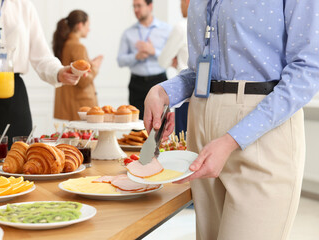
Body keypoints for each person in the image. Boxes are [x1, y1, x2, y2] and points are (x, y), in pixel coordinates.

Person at [144, 1, 319, 239]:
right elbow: (201, 72)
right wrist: (164, 91)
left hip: (262, 131)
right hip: (202, 129)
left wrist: (231, 140)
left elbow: (307, 69)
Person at [0, 0, 80, 146]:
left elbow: (42, 56)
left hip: (14, 101)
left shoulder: (23, 5)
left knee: (19, 161)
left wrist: (59, 72)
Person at [117, 0, 171, 119]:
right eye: (134, 6)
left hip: (159, 81)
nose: (136, 9)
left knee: (160, 123)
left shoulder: (166, 30)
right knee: (136, 125)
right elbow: (120, 60)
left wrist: (153, 51)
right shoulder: (128, 33)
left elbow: (172, 57)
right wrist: (136, 56)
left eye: (139, 6)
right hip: (137, 84)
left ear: (150, 6)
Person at [53, 10, 103, 121]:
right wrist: (95, 67)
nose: (89, 29)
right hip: (80, 105)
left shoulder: (65, 44)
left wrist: (90, 64)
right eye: (88, 25)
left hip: (68, 104)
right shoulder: (78, 47)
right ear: (80, 25)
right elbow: (83, 80)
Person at [158, 0, 189, 137]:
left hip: (186, 93)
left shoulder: (182, 27)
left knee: (183, 144)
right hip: (208, 95)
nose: (180, 6)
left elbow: (163, 61)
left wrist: (174, 61)